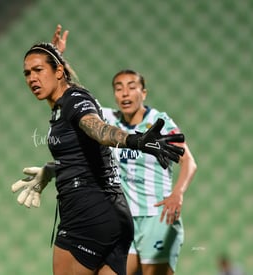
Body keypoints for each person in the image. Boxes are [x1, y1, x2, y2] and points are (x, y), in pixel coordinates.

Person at [11, 41, 185, 275]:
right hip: (115, 215)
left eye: (38, 70)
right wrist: (52, 169)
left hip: (86, 212)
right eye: (27, 73)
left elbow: (98, 129)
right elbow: (83, 152)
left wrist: (135, 140)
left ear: (59, 71)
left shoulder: (74, 100)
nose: (31, 78)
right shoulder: (63, 105)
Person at [51, 25, 197, 275]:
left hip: (156, 216)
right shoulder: (107, 118)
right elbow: (72, 99)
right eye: (118, 88)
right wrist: (57, 57)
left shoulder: (159, 122)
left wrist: (178, 194)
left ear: (143, 92)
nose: (125, 93)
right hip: (125, 218)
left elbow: (189, 161)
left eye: (131, 86)